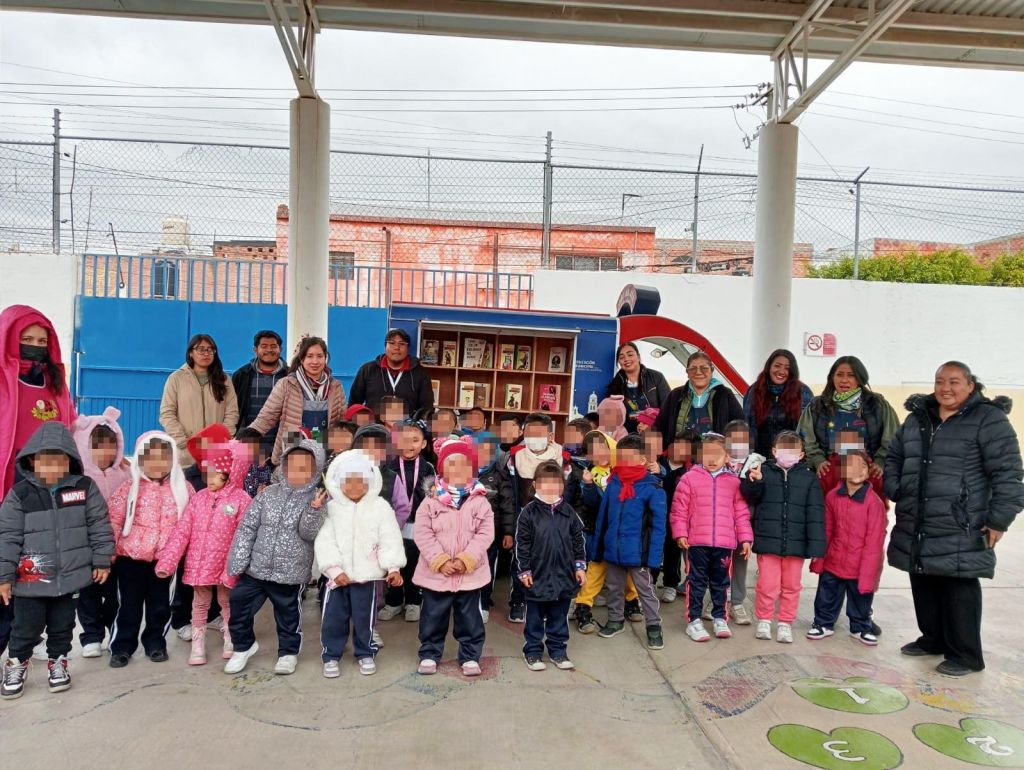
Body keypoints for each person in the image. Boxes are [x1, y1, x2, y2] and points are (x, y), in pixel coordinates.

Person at [885, 361, 1023, 677]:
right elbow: (893, 456)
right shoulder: (917, 418)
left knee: (958, 585)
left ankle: (966, 654)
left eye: (954, 381)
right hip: (917, 517)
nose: (946, 388)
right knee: (922, 578)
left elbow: (1009, 473)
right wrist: (896, 487)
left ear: (970, 385)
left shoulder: (989, 420)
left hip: (962, 521)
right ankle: (932, 639)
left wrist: (1000, 519)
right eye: (940, 381)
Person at [0, 423, 114, 699]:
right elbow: (7, 536)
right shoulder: (20, 494)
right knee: (25, 626)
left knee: (63, 625)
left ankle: (59, 661)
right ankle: (16, 662)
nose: (52, 467)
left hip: (70, 577)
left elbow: (99, 523)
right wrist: (4, 576)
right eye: (45, 461)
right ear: (32, 461)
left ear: (70, 461)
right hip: (31, 581)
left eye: (59, 461)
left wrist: (101, 559)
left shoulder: (84, 488)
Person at [224, 438, 326, 676]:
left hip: (289, 574)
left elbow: (308, 534)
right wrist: (239, 560)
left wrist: (314, 509)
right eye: (291, 466)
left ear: (315, 471)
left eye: (304, 468)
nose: (296, 473)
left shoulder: (317, 500)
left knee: (288, 615)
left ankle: (288, 653)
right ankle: (243, 647)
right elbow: (248, 527)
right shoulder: (268, 494)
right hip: (256, 569)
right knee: (238, 604)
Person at [156, 441, 252, 665]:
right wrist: (168, 562)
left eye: (217, 475)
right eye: (208, 474)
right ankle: (198, 642)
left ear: (231, 474)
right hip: (200, 564)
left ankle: (231, 637)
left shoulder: (241, 500)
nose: (210, 480)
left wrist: (240, 563)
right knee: (199, 603)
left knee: (226, 602)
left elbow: (245, 536)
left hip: (227, 564)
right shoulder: (199, 499)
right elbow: (182, 531)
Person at [316, 450, 406, 679]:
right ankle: (331, 655)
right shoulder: (332, 509)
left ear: (370, 481)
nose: (355, 486)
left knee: (365, 618)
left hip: (367, 578)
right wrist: (334, 571)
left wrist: (393, 567)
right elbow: (324, 541)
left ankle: (365, 652)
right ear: (339, 482)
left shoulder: (380, 508)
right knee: (333, 619)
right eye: (349, 481)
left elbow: (390, 538)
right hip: (338, 579)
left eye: (360, 481)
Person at [106, 432, 192, 667]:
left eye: (163, 458)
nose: (157, 464)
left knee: (160, 606)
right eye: (150, 458)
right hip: (130, 559)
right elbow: (113, 520)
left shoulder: (183, 489)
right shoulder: (129, 487)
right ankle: (122, 646)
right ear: (140, 460)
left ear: (173, 460)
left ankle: (155, 643)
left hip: (166, 560)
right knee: (128, 606)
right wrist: (108, 555)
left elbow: (191, 524)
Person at [413, 437, 494, 677]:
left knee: (470, 619)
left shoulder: (480, 501)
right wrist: (440, 561)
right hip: (436, 574)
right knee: (432, 617)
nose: (458, 469)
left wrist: (466, 559)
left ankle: (469, 656)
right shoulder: (430, 501)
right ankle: (429, 653)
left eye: (464, 464)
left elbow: (485, 534)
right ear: (441, 469)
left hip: (470, 574)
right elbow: (423, 533)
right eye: (452, 464)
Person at [741, 431, 826, 644]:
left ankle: (785, 622)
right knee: (767, 584)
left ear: (802, 454)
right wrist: (755, 481)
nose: (788, 453)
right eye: (783, 449)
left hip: (796, 544)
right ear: (774, 451)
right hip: (769, 540)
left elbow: (815, 513)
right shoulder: (764, 471)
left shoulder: (808, 478)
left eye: (793, 449)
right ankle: (764, 619)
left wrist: (816, 547)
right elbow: (748, 496)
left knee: (791, 585)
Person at [670, 433, 753, 643]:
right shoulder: (689, 478)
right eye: (707, 453)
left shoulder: (734, 482)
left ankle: (719, 617)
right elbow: (678, 510)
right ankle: (694, 620)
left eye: (718, 454)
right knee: (696, 582)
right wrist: (680, 533)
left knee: (721, 582)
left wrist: (745, 538)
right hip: (697, 542)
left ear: (727, 457)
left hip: (724, 544)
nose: (712, 458)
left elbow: (741, 513)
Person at [499, 412, 580, 623]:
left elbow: (569, 492)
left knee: (551, 561)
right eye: (529, 433)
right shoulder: (514, 457)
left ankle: (548, 599)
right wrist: (510, 527)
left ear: (550, 436)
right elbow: (508, 493)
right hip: (524, 519)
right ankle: (518, 601)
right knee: (522, 560)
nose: (533, 438)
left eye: (539, 434)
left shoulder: (564, 459)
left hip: (555, 519)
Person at [593, 434, 666, 651]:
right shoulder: (613, 484)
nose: (622, 462)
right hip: (613, 550)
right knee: (614, 588)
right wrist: (599, 548)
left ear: (643, 460)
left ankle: (653, 625)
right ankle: (615, 620)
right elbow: (603, 518)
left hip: (639, 553)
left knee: (645, 590)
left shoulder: (653, 488)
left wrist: (653, 559)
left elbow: (658, 527)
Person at [808, 451, 888, 646]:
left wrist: (870, 570)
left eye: (863, 466)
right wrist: (820, 555)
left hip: (859, 563)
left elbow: (875, 541)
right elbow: (827, 529)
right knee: (827, 593)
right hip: (834, 559)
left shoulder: (874, 503)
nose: (859, 470)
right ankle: (823, 623)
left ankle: (861, 627)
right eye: (852, 465)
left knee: (861, 597)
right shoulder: (832, 497)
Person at [515, 460, 587, 672]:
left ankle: (557, 650)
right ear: (536, 485)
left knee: (559, 616)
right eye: (545, 483)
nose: (550, 488)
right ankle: (533, 651)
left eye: (556, 483)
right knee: (535, 618)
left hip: (564, 576)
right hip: (537, 576)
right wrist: (524, 570)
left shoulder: (568, 512)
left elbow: (578, 540)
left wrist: (580, 566)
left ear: (562, 486)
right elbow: (522, 544)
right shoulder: (528, 513)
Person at [0, 305, 78, 498]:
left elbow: (74, 425)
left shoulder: (53, 380)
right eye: (27, 339)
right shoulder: (3, 379)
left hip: (51, 469)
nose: (35, 345)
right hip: (12, 469)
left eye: (42, 341)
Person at [71, 407, 130, 657]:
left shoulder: (125, 473)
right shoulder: (78, 478)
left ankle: (112, 630)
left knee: (115, 596)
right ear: (85, 446)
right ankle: (91, 636)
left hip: (117, 548)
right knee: (88, 594)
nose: (105, 452)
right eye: (98, 446)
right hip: (87, 548)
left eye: (111, 446)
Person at [247, 336, 346, 467]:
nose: (315, 361)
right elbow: (267, 416)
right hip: (292, 449)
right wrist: (248, 436)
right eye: (310, 356)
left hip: (325, 453)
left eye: (319, 356)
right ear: (302, 358)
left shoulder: (335, 386)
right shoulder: (287, 384)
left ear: (325, 358)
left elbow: (342, 420)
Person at [797, 356, 900, 482]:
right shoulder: (817, 406)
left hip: (867, 476)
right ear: (832, 377)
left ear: (860, 378)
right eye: (839, 375)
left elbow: (893, 439)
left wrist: (880, 462)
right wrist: (817, 460)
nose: (844, 380)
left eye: (851, 375)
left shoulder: (877, 405)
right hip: (827, 477)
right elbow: (804, 437)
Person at [159, 334, 239, 488]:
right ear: (191, 352)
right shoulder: (176, 379)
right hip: (186, 455)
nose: (206, 353)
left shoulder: (224, 379)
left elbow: (232, 412)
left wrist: (222, 439)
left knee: (213, 500)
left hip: (217, 455)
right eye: (201, 349)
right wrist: (182, 441)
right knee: (187, 499)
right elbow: (167, 413)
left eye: (210, 350)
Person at [380, 420, 436, 623]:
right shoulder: (389, 465)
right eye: (404, 439)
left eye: (415, 440)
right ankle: (394, 601)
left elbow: (432, 496)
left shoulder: (428, 467)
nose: (409, 444)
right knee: (393, 562)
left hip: (418, 524)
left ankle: (413, 601)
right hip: (393, 522)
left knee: (415, 563)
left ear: (423, 444)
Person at [654, 351, 744, 446]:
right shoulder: (675, 395)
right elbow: (660, 427)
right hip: (681, 456)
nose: (698, 372)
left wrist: (731, 455)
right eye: (693, 368)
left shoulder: (724, 394)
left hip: (713, 456)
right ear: (687, 372)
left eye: (704, 368)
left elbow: (739, 426)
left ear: (711, 370)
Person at [743, 349, 814, 458]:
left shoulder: (803, 392)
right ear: (769, 367)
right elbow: (747, 426)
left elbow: (808, 431)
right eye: (777, 366)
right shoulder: (754, 390)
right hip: (759, 459)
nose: (781, 371)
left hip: (791, 460)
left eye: (787, 368)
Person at [654, 430, 698, 605]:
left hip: (677, 518)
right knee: (654, 551)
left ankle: (670, 584)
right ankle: (650, 581)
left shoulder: (689, 470)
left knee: (672, 553)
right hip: (655, 516)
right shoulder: (657, 462)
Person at [348, 328, 434, 416]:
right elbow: (354, 402)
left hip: (407, 428)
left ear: (408, 348)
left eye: (402, 344)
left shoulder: (420, 373)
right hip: (374, 427)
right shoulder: (368, 370)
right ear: (385, 346)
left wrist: (416, 426)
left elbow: (426, 407)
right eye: (392, 343)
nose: (397, 347)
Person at [231, 330, 288, 456]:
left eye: (273, 346)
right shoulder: (241, 375)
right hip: (249, 443)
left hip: (281, 443)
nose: (269, 350)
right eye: (264, 346)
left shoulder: (290, 376)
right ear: (255, 349)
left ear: (280, 349)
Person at [475, 432, 511, 623]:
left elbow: (507, 505)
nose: (483, 454)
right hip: (468, 534)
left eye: (489, 450)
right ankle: (467, 602)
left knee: (487, 568)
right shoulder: (465, 472)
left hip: (492, 534)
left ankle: (483, 602)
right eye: (479, 449)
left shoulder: (500, 475)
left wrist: (508, 531)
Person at [605, 342, 671, 433]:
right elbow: (610, 417)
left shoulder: (656, 377)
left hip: (653, 434)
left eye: (630, 355)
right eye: (621, 357)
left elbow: (668, 407)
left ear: (638, 357)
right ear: (619, 362)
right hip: (627, 438)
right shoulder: (615, 385)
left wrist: (652, 426)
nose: (626, 359)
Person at [237, 427, 273, 498]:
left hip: (254, 501)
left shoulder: (259, 465)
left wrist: (262, 468)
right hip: (237, 501)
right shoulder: (234, 465)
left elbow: (265, 482)